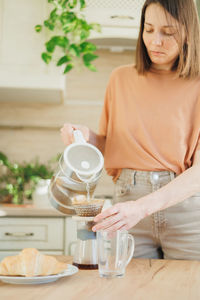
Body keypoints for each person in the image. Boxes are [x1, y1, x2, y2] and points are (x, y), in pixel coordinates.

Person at [60, 0, 200, 260]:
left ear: (189, 32)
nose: (155, 41)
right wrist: (85, 137)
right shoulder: (120, 79)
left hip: (185, 210)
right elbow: (111, 145)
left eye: (168, 32)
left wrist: (142, 208)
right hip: (128, 203)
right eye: (148, 29)